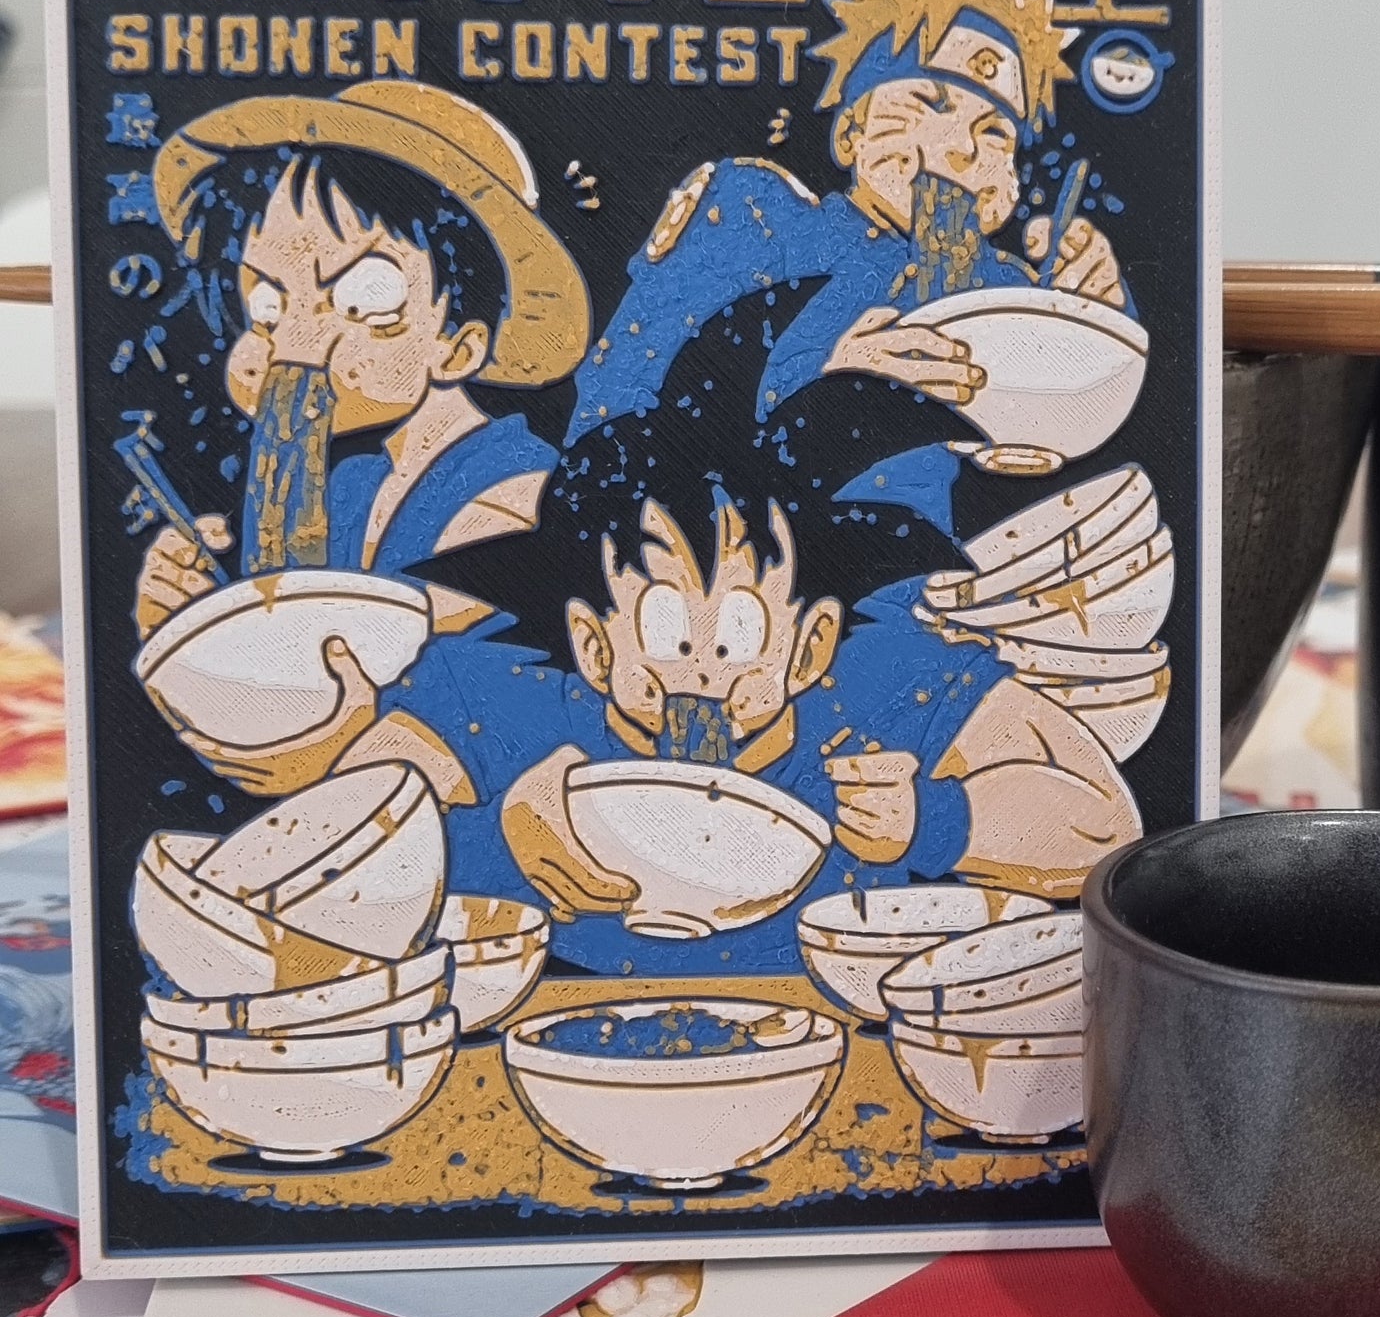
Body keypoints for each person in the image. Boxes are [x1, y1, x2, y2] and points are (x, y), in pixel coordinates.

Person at [364, 301, 1141, 981]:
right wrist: (498, 838)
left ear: (809, 644)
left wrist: (930, 820)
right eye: (662, 627)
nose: (700, 668)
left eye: (741, 629)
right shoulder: (507, 691)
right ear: (593, 645)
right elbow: (343, 828)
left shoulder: (881, 689)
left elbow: (1109, 826)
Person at [131, 82, 591, 792]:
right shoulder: (347, 488)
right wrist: (195, 621)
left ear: (460, 345)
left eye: (364, 298)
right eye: (268, 304)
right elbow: (284, 672)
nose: (298, 340)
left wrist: (337, 739)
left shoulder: (518, 500)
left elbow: (500, 713)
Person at [568, 0, 1124, 471]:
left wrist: (1097, 316)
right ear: (850, 133)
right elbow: (610, 412)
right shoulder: (755, 217)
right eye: (928, 103)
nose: (962, 148)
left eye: (996, 132)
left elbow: (1072, 426)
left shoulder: (1004, 288)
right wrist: (828, 386)